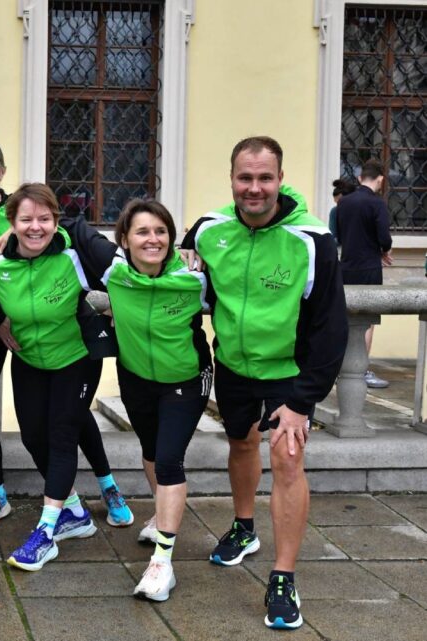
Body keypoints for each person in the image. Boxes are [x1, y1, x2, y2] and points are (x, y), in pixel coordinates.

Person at [182, 136, 347, 629]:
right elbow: (165, 255)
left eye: (264, 178)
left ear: (280, 178)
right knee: (240, 445)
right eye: (244, 178)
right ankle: (244, 527)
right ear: (231, 178)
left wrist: (303, 401)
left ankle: (283, 576)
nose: (254, 188)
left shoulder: (313, 239)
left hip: (289, 372)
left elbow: (330, 328)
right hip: (233, 365)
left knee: (288, 460)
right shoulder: (210, 230)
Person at [0, 138, 134, 531]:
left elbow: (100, 254)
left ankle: (102, 488)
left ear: (2, 170)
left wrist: (120, 304)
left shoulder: (45, 230)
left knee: (70, 419)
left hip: (63, 343)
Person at [0, 183, 117, 572]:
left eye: (44, 219)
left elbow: (120, 274)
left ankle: (46, 531)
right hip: (28, 361)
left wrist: (113, 311)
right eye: (25, 220)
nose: (35, 227)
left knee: (61, 436)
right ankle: (73, 511)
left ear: (57, 222)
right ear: (11, 223)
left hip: (76, 358)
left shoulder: (74, 256)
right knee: (32, 437)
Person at [99, 199, 212, 601]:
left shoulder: (195, 277)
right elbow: (60, 232)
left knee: (168, 459)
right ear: (125, 240)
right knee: (149, 449)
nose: (153, 239)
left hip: (185, 378)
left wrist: (196, 239)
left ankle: (162, 563)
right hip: (135, 377)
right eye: (143, 231)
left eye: (161, 231)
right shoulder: (112, 271)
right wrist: (9, 233)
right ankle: (160, 515)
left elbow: (225, 235)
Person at [336, 158, 393, 389]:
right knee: (367, 323)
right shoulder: (376, 203)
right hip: (369, 268)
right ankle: (362, 370)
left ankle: (341, 367)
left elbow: (340, 234)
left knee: (345, 319)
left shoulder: (344, 202)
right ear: (380, 178)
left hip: (346, 266)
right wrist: (383, 250)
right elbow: (384, 238)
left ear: (361, 178)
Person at [328, 176, 358, 246]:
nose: (339, 206)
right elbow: (333, 236)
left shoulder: (361, 210)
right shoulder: (335, 212)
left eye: (340, 202)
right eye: (337, 203)